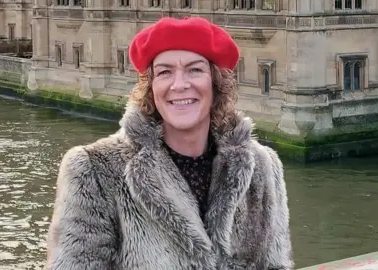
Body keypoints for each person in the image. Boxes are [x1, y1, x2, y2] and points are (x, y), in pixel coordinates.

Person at [45, 17, 294, 270]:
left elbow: (275, 265)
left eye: (195, 70)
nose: (179, 85)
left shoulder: (262, 166)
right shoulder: (94, 169)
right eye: (165, 72)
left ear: (217, 83)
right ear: (151, 87)